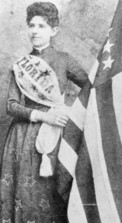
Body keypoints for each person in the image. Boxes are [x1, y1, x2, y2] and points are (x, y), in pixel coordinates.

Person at [0, 2, 88, 223]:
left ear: (53, 30)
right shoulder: (21, 67)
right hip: (24, 138)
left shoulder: (64, 60)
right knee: (27, 193)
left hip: (56, 132)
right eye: (31, 25)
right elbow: (11, 105)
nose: (35, 31)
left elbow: (90, 89)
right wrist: (43, 115)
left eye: (41, 26)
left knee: (54, 191)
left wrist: (68, 110)